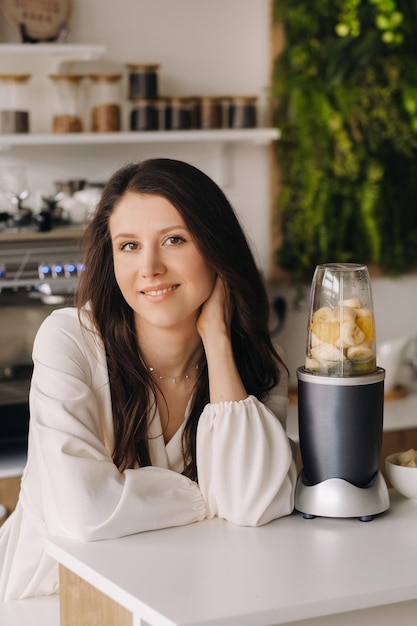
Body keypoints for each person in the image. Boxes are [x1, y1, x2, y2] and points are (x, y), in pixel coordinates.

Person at [0, 158, 296, 601]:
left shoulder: (250, 363)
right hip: (53, 600)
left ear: (217, 249)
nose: (150, 267)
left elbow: (252, 503)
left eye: (174, 240)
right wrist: (204, 498)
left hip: (182, 596)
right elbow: (85, 513)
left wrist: (216, 339)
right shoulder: (69, 341)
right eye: (129, 246)